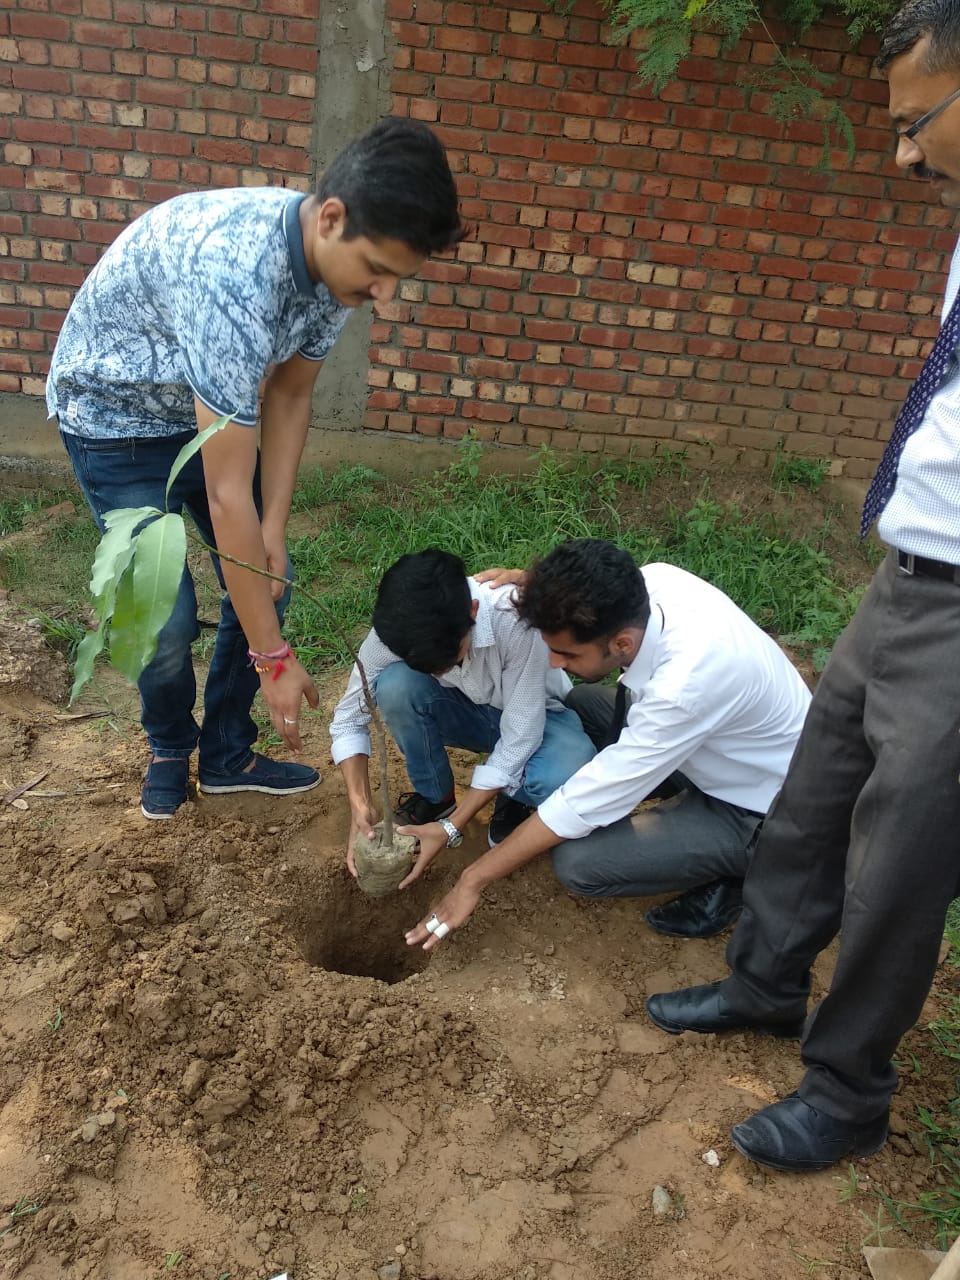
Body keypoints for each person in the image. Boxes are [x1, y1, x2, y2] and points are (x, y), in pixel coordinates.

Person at [644, 0, 960, 1174]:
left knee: (899, 860)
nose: (903, 153)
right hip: (907, 571)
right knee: (814, 797)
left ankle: (847, 1089)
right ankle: (765, 983)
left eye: (918, 121)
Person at [47, 117, 465, 820]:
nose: (385, 295)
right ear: (330, 218)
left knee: (269, 573)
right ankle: (170, 747)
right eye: (379, 271)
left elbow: (291, 394)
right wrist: (274, 661)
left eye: (399, 277)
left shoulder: (334, 274)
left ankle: (227, 752)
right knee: (166, 617)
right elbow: (225, 493)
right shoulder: (233, 277)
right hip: (114, 421)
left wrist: (274, 527)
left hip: (204, 409)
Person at [403, 538, 811, 943]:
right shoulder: (656, 583)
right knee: (580, 702)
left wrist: (473, 878)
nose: (554, 662)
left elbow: (584, 803)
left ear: (622, 644)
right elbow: (591, 587)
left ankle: (743, 871)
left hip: (764, 808)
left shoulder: (684, 688)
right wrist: (543, 589)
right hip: (720, 748)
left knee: (579, 863)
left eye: (568, 654)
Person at [329, 548, 596, 874]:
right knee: (396, 686)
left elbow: (521, 735)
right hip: (464, 709)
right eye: (428, 668)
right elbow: (348, 719)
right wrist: (360, 803)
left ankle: (513, 795)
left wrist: (452, 828)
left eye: (449, 661)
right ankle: (436, 799)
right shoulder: (396, 631)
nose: (438, 673)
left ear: (473, 611)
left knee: (563, 775)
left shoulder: (515, 618)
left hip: (540, 715)